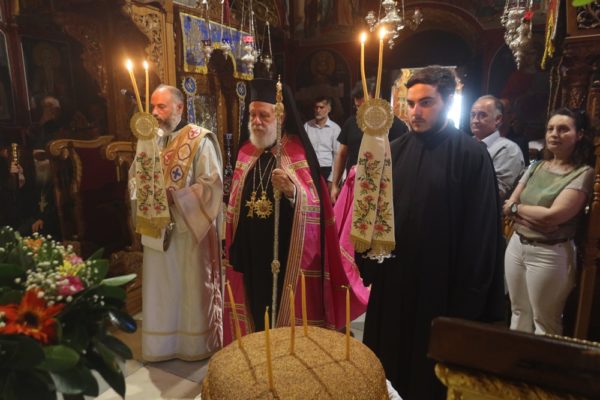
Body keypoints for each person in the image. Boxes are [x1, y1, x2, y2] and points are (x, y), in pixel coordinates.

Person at [358, 66, 504, 400]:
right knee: (388, 369)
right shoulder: (392, 150)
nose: (415, 112)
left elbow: (481, 231)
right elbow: (373, 214)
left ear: (448, 102)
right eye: (410, 104)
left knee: (430, 378)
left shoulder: (471, 154)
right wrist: (369, 256)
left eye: (426, 103)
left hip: (441, 289)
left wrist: (469, 298)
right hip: (394, 281)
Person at [223, 78, 368, 343]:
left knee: (281, 305)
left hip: (286, 252)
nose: (256, 121)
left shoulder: (297, 152)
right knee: (254, 303)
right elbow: (234, 204)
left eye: (264, 115)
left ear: (280, 116)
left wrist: (293, 193)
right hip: (251, 250)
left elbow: (316, 206)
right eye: (252, 115)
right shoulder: (245, 152)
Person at [132, 84, 224, 361]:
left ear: (179, 107)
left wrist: (177, 198)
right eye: (153, 106)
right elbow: (135, 177)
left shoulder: (199, 139)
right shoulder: (149, 140)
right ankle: (161, 346)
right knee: (161, 289)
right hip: (157, 228)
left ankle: (192, 345)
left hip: (189, 229)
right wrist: (144, 191)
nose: (154, 112)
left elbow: (211, 184)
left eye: (161, 106)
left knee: (190, 289)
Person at [503, 107, 594, 335]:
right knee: (518, 312)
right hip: (517, 244)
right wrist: (522, 212)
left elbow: (553, 216)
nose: (554, 134)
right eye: (551, 129)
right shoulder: (537, 165)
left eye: (563, 129)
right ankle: (516, 358)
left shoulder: (583, 173)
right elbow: (509, 204)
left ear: (579, 134)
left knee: (545, 322)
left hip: (550, 252)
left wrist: (517, 210)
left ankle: (541, 361)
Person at [330, 78, 408, 203]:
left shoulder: (395, 125)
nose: (362, 112)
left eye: (366, 106)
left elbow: (401, 161)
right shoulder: (351, 122)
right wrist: (335, 185)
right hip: (353, 188)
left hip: (383, 192)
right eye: (358, 107)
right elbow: (342, 154)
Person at [470, 95, 524, 200]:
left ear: (498, 119)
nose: (475, 120)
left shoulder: (507, 149)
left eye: (482, 115)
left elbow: (495, 192)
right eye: (473, 115)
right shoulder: (466, 144)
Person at [303, 96, 340, 184]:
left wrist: (332, 179)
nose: (318, 110)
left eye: (321, 107)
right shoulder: (307, 126)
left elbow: (337, 155)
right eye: (316, 107)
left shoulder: (335, 129)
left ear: (329, 109)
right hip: (310, 168)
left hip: (327, 169)